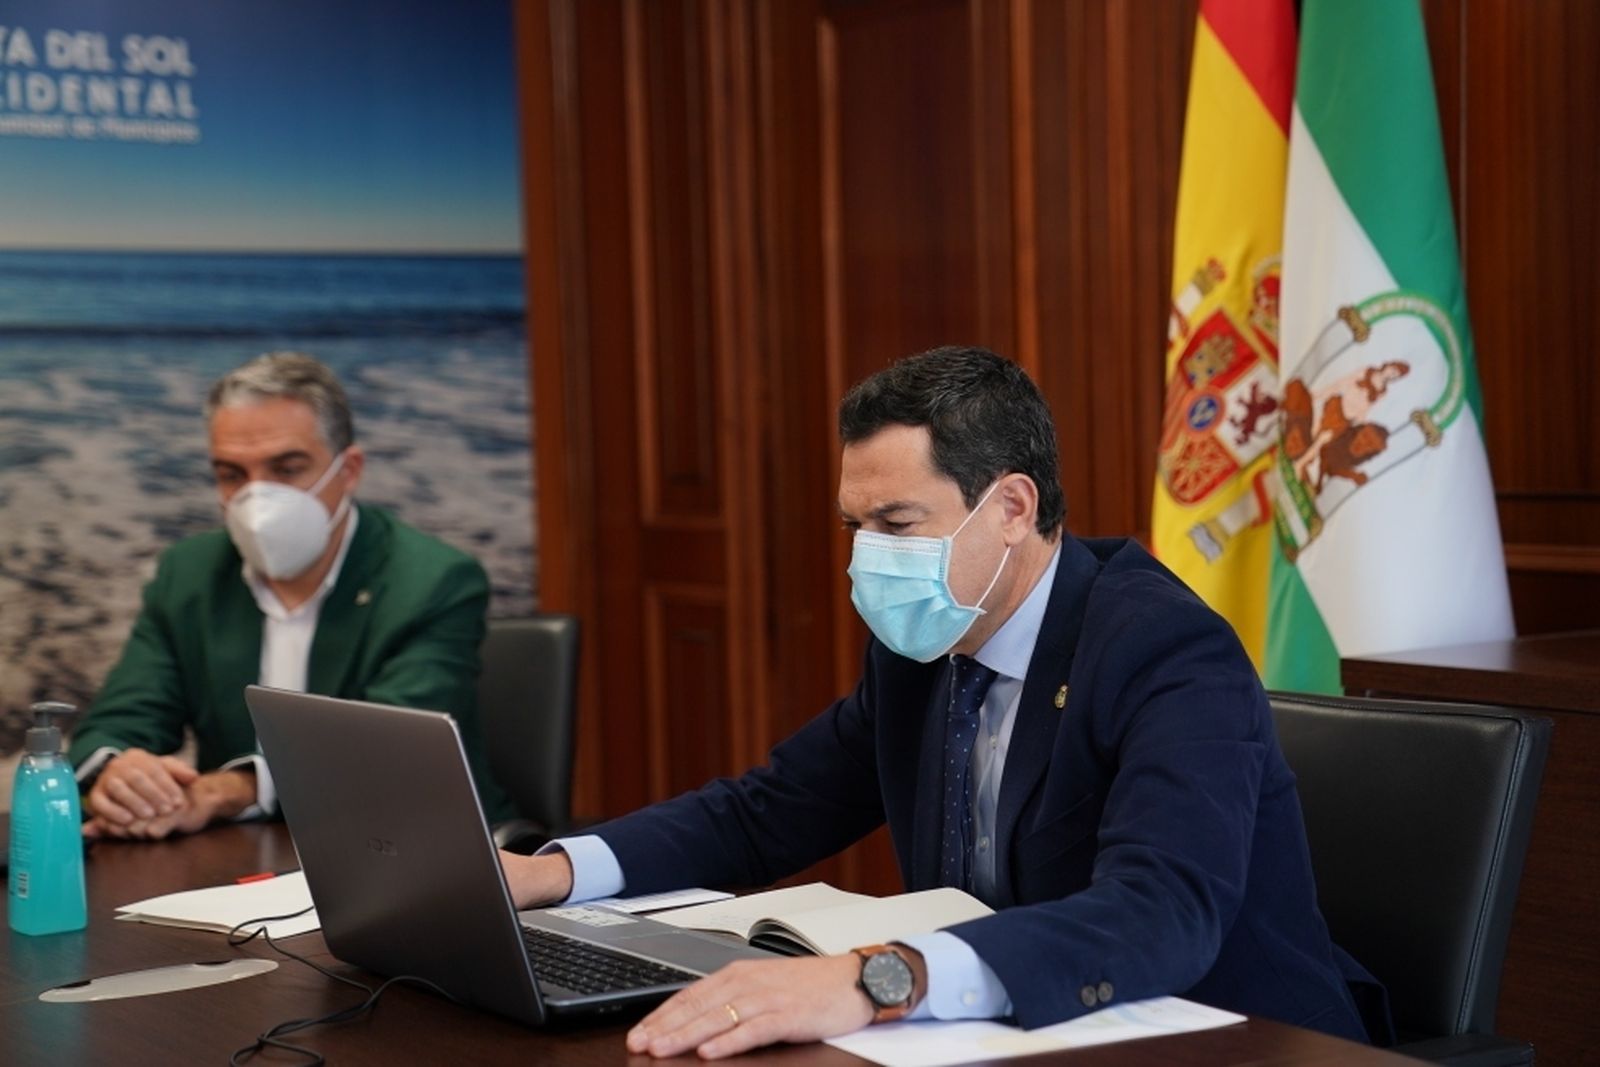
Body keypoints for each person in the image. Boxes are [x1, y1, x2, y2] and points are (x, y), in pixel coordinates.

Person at [501, 346, 1381, 1058]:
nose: (866, 559)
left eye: (895, 524)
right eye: (854, 527)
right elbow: (766, 810)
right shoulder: (924, 642)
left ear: (1010, 506)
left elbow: (1163, 911)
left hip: (1230, 1035)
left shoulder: (1162, 645)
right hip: (1009, 1033)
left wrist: (877, 979)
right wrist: (554, 871)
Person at [69, 352, 509, 839]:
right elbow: (115, 724)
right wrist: (122, 778)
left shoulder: (434, 581)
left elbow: (384, 754)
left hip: (412, 846)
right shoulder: (188, 574)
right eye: (232, 474)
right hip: (240, 862)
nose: (258, 498)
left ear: (350, 470)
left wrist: (229, 790)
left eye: (287, 468)